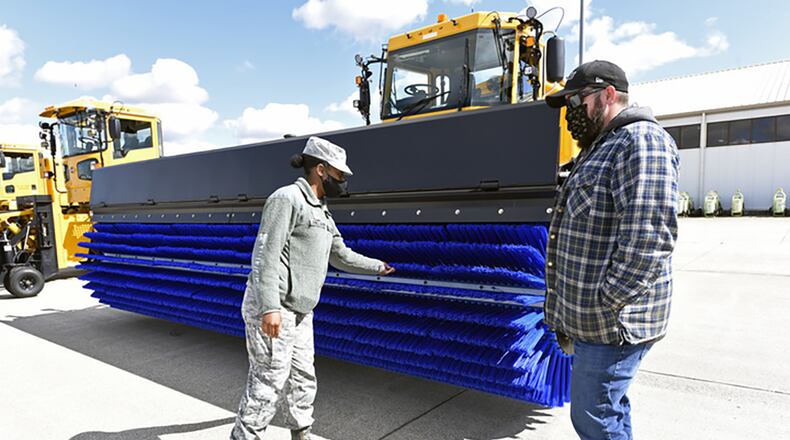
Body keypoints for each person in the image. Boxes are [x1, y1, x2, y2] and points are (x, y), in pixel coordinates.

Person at [544, 60, 679, 440]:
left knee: (593, 418)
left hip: (612, 326)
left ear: (607, 95)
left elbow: (650, 237)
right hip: (596, 321)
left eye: (577, 101)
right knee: (609, 409)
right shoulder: (599, 147)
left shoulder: (640, 142)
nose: (572, 112)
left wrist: (608, 301)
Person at [231, 136, 395, 440]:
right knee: (269, 380)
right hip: (275, 307)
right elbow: (265, 255)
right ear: (321, 170)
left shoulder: (322, 211)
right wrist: (270, 308)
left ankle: (302, 433)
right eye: (339, 174)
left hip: (302, 311)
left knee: (303, 378)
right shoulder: (287, 198)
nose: (343, 181)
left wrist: (376, 265)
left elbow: (341, 255)